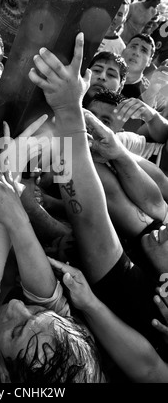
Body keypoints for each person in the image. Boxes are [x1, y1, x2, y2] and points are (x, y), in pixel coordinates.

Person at [27, 32, 168, 356]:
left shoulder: (146, 306)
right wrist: (115, 151)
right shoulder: (159, 243)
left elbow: (90, 219)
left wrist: (68, 111)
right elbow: (156, 198)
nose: (166, 225)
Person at [0, 120, 105, 383]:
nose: (18, 306)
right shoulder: (70, 355)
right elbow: (48, 299)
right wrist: (11, 176)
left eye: (17, 330)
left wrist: (10, 176)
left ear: (3, 377)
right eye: (37, 313)